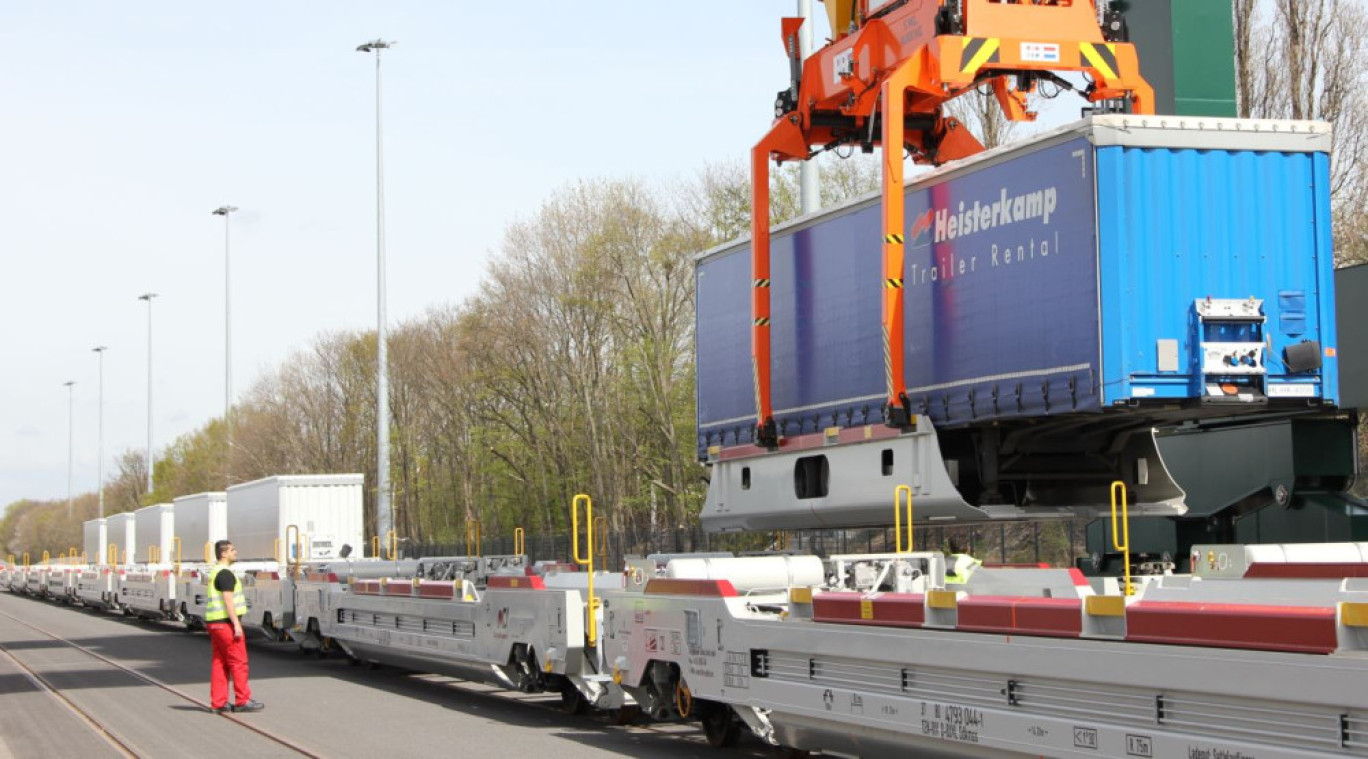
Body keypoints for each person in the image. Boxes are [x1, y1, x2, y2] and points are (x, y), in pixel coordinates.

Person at [206, 540, 263, 714]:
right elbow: (228, 600)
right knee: (238, 662)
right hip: (226, 624)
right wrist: (237, 624)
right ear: (223, 554)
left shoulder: (216, 571)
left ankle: (218, 702)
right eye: (232, 550)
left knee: (220, 662)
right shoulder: (225, 574)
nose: (235, 552)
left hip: (214, 622)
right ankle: (242, 700)